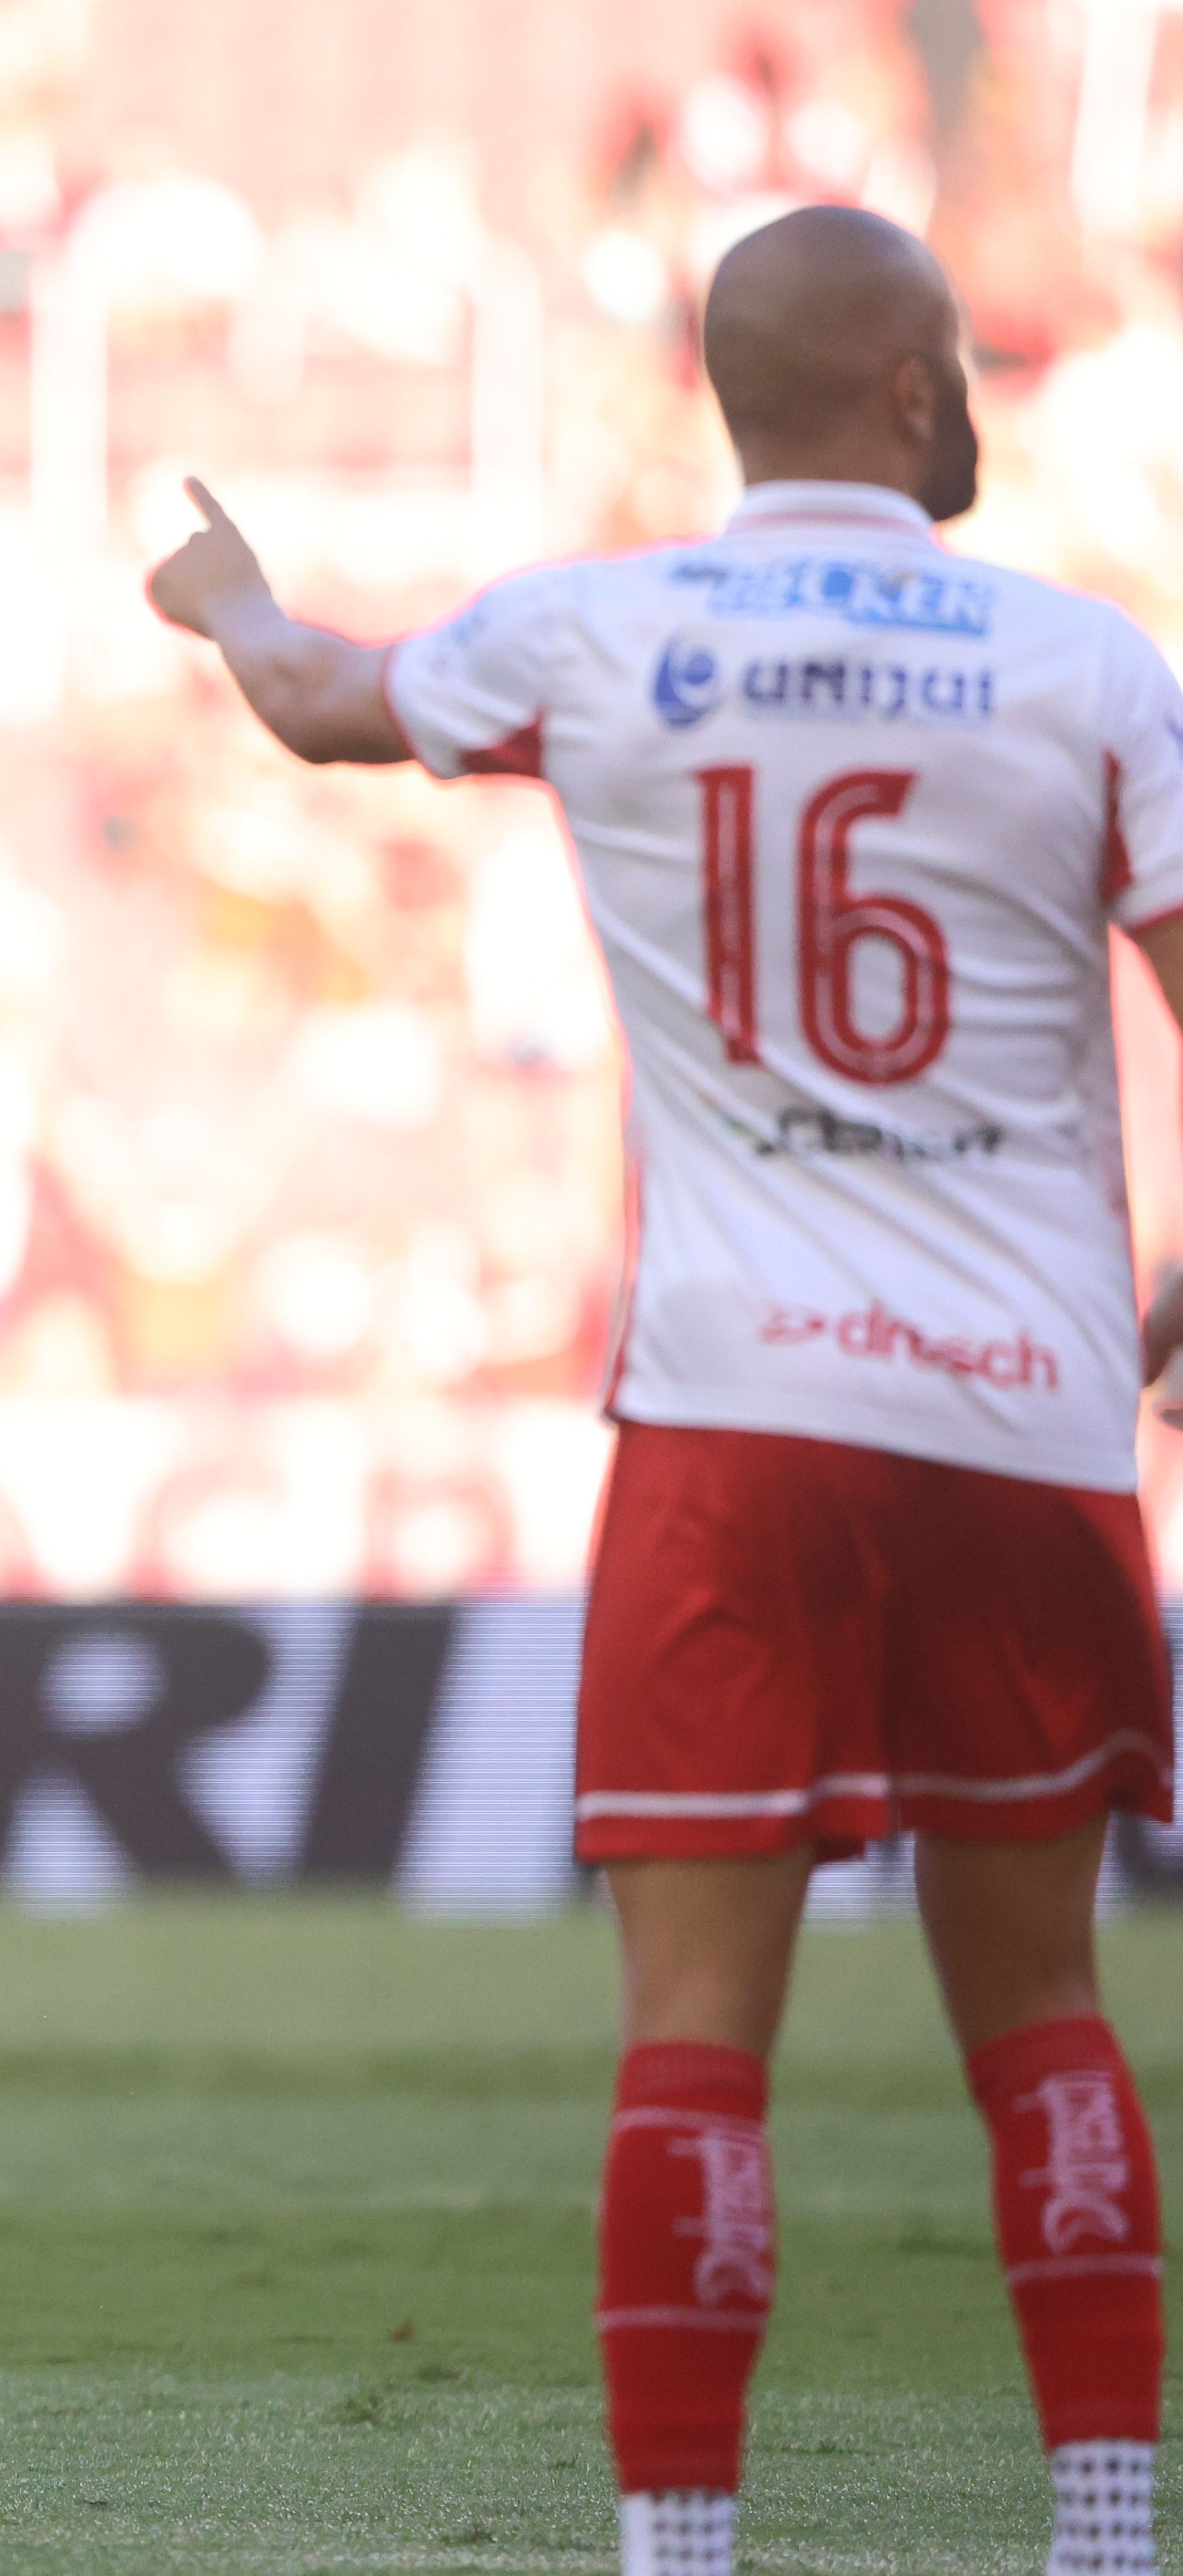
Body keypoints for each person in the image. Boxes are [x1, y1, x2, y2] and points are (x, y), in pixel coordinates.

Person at [151, 204, 1175, 2576]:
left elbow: (314, 698)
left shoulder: (597, 629)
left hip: (736, 1414)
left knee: (699, 2035)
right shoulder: (1089, 666)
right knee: (1044, 2015)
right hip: (1024, 1418)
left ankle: (681, 2555)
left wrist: (224, 595)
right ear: (914, 390)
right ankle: (1110, 2534)